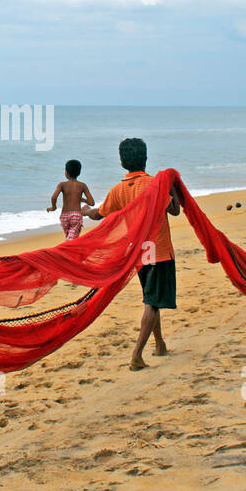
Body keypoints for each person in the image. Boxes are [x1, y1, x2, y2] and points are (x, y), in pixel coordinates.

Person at [82, 138, 182, 370]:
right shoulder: (155, 185)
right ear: (145, 158)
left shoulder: (118, 190)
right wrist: (173, 188)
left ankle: (159, 344)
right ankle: (137, 356)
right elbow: (175, 210)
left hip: (139, 251)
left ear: (122, 161)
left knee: (150, 299)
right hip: (159, 249)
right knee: (153, 303)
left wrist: (86, 210)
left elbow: (99, 214)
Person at [48, 159, 95, 240]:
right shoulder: (82, 185)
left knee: (69, 237)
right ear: (79, 173)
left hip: (64, 216)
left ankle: (67, 250)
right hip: (76, 216)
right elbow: (91, 203)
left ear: (66, 173)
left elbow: (53, 197)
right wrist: (82, 199)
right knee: (71, 240)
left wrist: (53, 207)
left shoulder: (62, 184)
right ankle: (67, 250)